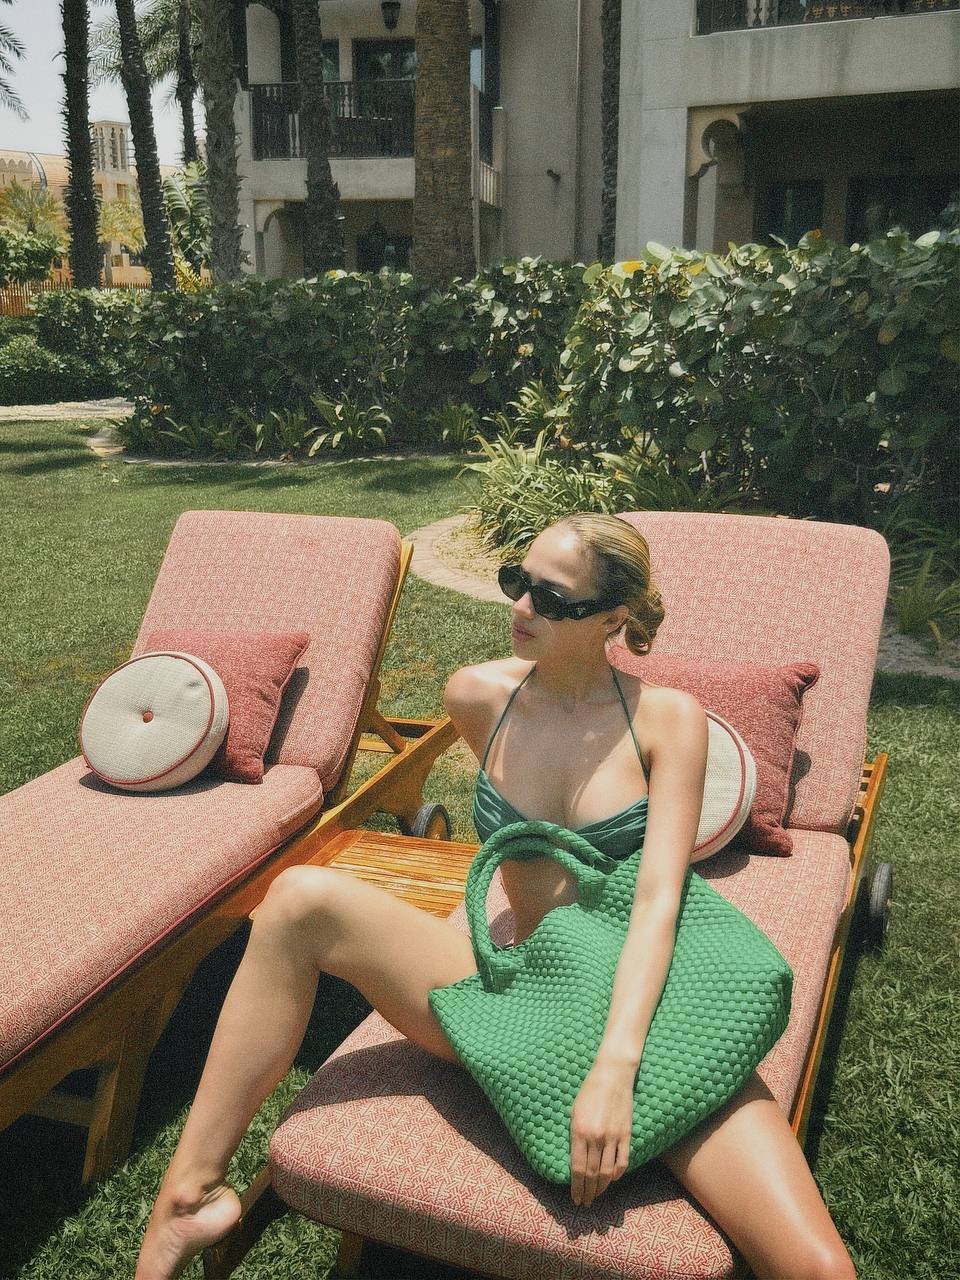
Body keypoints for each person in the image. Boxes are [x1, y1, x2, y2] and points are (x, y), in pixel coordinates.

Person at [135, 512, 857, 1280]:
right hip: (516, 987)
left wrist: (614, 1072)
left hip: (635, 1007)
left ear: (612, 618)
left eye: (553, 598)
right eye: (518, 581)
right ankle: (187, 1196)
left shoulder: (667, 720)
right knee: (298, 900)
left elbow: (657, 901)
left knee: (815, 1268)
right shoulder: (479, 695)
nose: (521, 608)